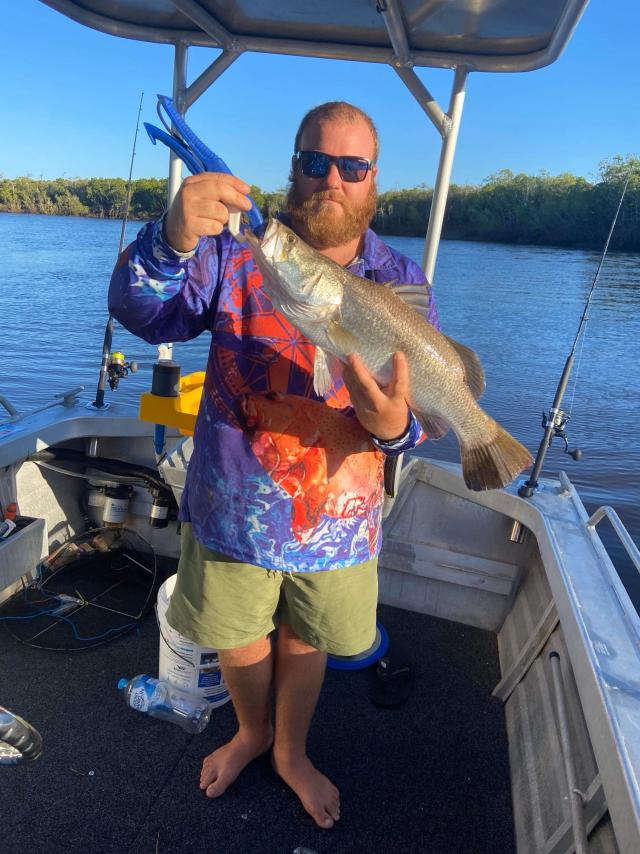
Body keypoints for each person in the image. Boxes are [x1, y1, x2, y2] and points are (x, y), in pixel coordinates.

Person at [108, 101, 439, 830]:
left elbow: (417, 420)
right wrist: (169, 238)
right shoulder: (234, 254)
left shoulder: (400, 280)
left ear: (373, 179)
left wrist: (392, 431)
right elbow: (141, 313)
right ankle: (251, 732)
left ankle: (290, 749)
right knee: (238, 635)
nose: (332, 180)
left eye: (351, 167)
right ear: (293, 168)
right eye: (315, 162)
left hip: (339, 528)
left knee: (308, 637)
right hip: (232, 517)